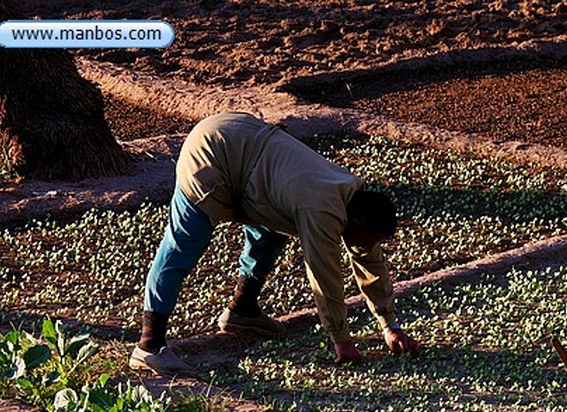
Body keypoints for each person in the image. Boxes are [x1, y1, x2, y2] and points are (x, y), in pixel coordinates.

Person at [129, 111, 420, 375]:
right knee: (184, 244)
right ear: (358, 223)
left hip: (246, 148)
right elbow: (325, 276)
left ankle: (242, 310)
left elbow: (370, 261)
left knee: (270, 232)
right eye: (371, 239)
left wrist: (389, 325)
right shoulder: (322, 209)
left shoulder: (352, 195)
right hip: (212, 152)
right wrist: (341, 341)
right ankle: (149, 346)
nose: (369, 246)